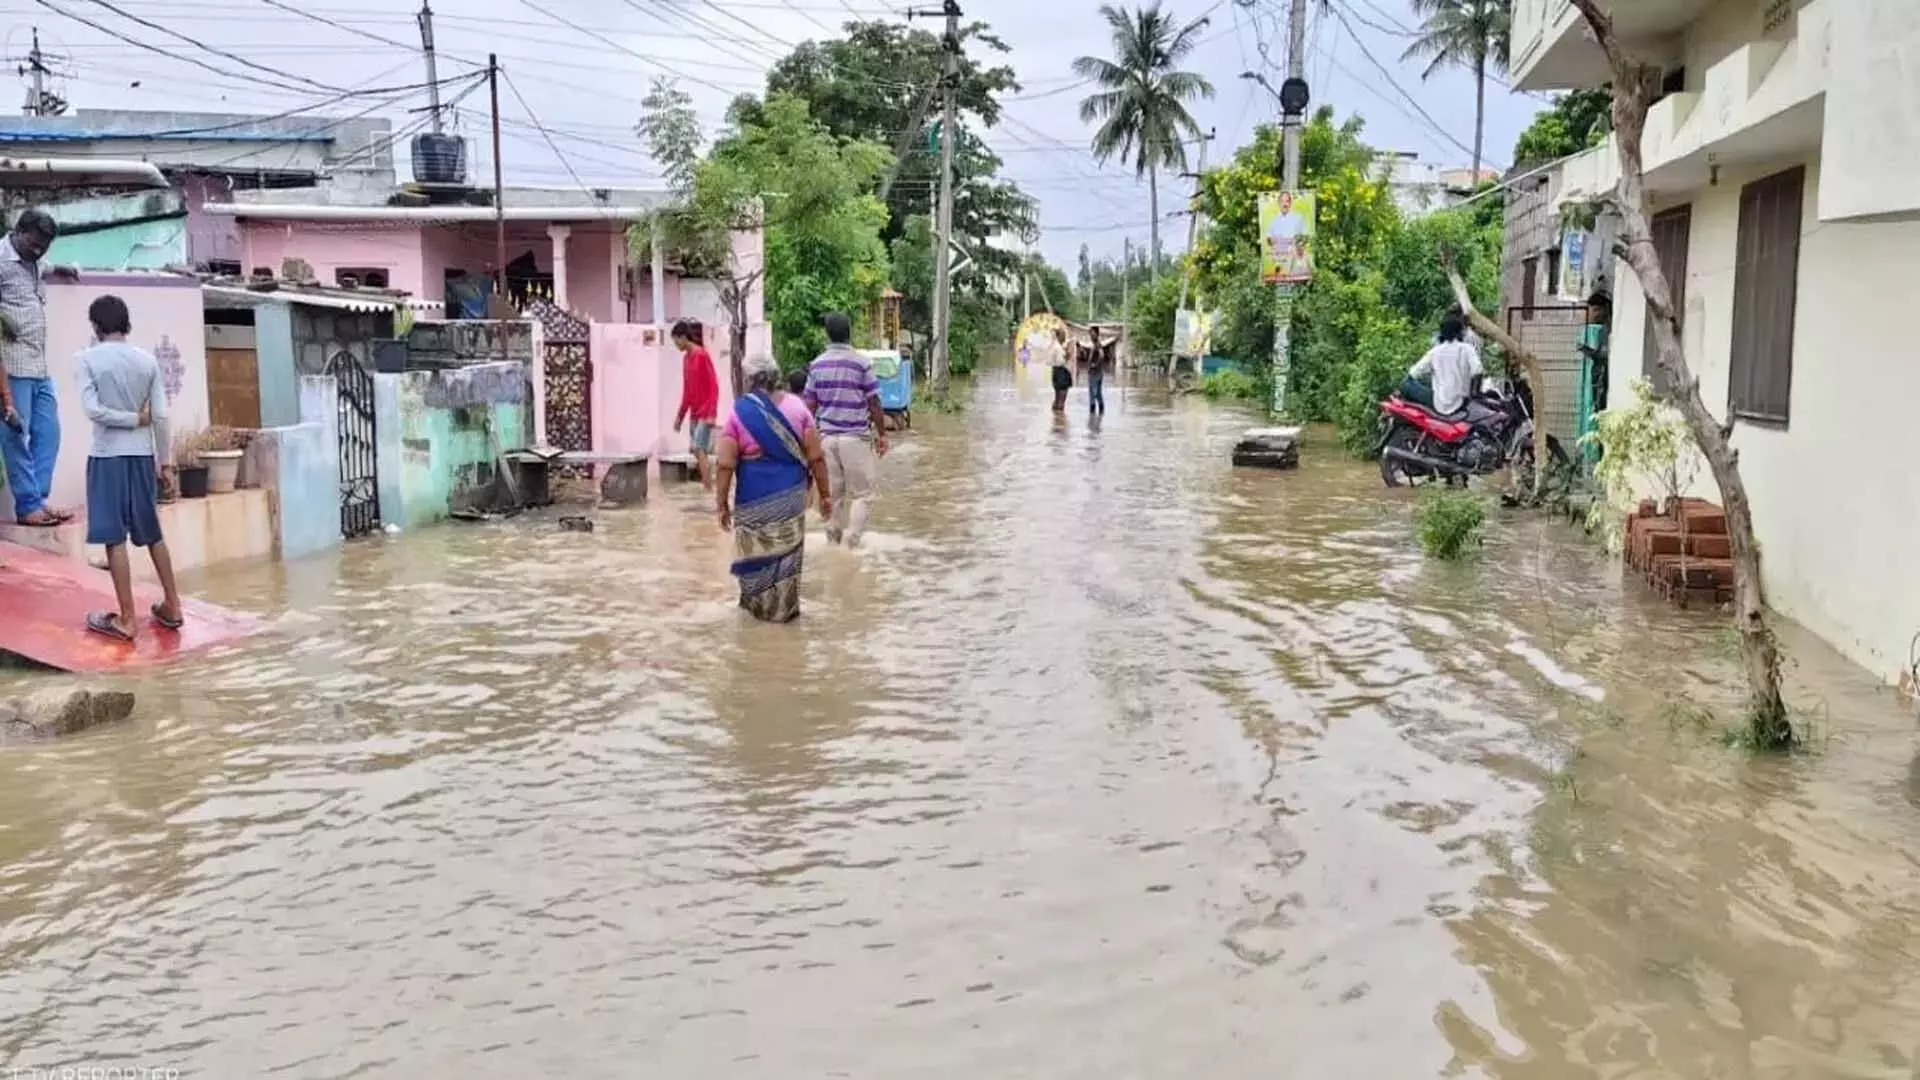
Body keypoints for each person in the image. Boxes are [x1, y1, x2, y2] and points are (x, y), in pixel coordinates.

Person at [77, 295, 185, 642]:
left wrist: (127, 419)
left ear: (95, 326)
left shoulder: (86, 360)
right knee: (152, 533)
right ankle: (173, 605)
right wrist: (165, 462)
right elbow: (162, 417)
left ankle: (126, 620)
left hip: (107, 456)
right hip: (142, 456)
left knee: (113, 538)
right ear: (127, 325)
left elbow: (92, 410)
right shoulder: (147, 362)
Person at [715, 354, 832, 623]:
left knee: (755, 555)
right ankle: (784, 613)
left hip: (752, 499)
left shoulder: (738, 411)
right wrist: (825, 495)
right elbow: (816, 457)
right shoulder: (799, 409)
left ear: (749, 379)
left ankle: (756, 614)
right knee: (787, 559)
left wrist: (721, 503)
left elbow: (725, 464)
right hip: (790, 498)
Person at [1, 208, 80, 527]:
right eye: (34, 245)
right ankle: (29, 506)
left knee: (49, 433)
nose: (39, 252)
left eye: (45, 247)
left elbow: (43, 265)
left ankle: (39, 499)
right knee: (15, 435)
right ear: (17, 232)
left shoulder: (34, 261)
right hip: (12, 366)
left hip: (38, 366)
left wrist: (63, 268)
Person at [803, 312, 887, 547]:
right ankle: (852, 541)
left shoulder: (817, 365)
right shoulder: (861, 363)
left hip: (827, 438)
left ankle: (832, 543)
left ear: (827, 334)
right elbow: (874, 402)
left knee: (833, 496)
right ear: (849, 332)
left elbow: (809, 406)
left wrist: (806, 440)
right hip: (855, 438)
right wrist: (882, 434)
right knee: (864, 494)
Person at [670, 318, 720, 491]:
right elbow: (687, 390)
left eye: (676, 340)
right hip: (695, 412)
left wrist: (712, 413)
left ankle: (709, 490)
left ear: (683, 337)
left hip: (705, 412)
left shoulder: (701, 355)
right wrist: (680, 417)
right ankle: (707, 488)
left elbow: (714, 385)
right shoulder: (686, 359)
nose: (675, 345)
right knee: (698, 451)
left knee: (699, 449)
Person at [1406, 312, 1484, 416]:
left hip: (1440, 404)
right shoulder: (1467, 349)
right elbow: (1478, 371)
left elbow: (1414, 372)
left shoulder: (1435, 352)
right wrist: (1474, 394)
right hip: (1462, 402)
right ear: (1459, 332)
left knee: (1407, 383)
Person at [1049, 326, 1072, 412]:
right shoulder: (1058, 347)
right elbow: (1061, 361)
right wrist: (1067, 355)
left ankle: (1056, 420)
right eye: (1063, 335)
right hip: (1061, 371)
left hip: (1056, 371)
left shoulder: (1056, 346)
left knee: (1057, 397)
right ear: (1059, 336)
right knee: (1061, 399)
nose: (1065, 337)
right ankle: (1060, 421)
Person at [1086, 326, 1109, 416]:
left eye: (1092, 334)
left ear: (1097, 334)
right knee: (1098, 394)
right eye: (1090, 334)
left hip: (1095, 374)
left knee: (1093, 394)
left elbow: (1102, 355)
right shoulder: (1095, 345)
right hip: (1097, 373)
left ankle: (1093, 415)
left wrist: (1094, 365)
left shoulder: (1097, 344)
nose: (1091, 336)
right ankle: (1100, 415)